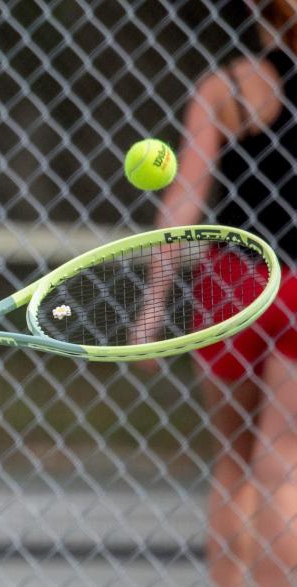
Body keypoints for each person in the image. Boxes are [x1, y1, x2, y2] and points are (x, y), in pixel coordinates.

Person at [149, 1, 297, 584]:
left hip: (233, 282)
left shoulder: (227, 87)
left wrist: (149, 315)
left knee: (233, 463)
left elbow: (183, 204)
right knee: (282, 463)